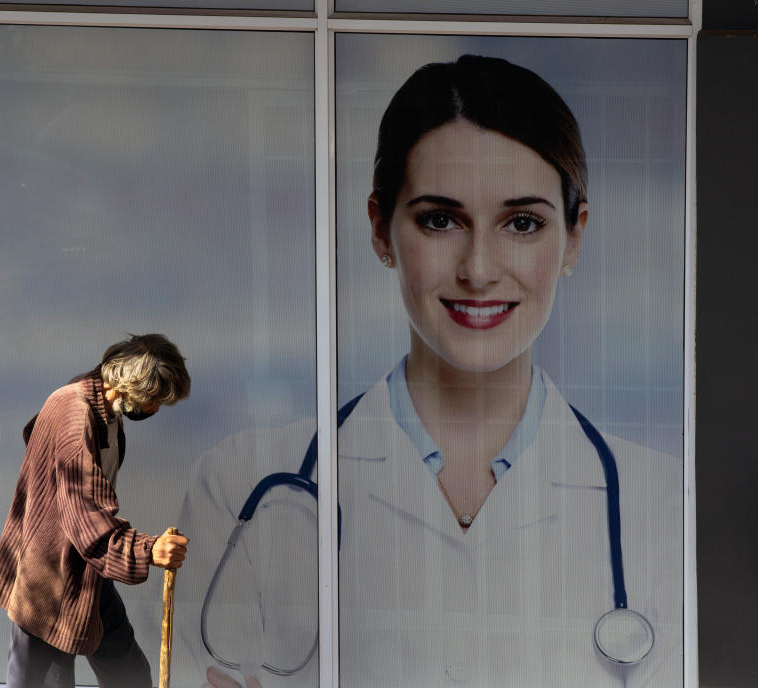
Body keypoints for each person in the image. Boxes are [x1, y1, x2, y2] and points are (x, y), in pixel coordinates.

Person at [174, 56, 682, 687]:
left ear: (574, 237)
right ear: (381, 230)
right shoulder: (240, 487)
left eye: (522, 223)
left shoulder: (666, 508)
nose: (478, 268)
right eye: (440, 220)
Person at [0, 333, 192, 688]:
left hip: (85, 570)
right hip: (48, 582)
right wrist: (148, 549)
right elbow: (85, 512)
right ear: (131, 386)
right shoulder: (74, 413)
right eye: (155, 400)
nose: (157, 410)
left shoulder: (101, 406)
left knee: (128, 673)